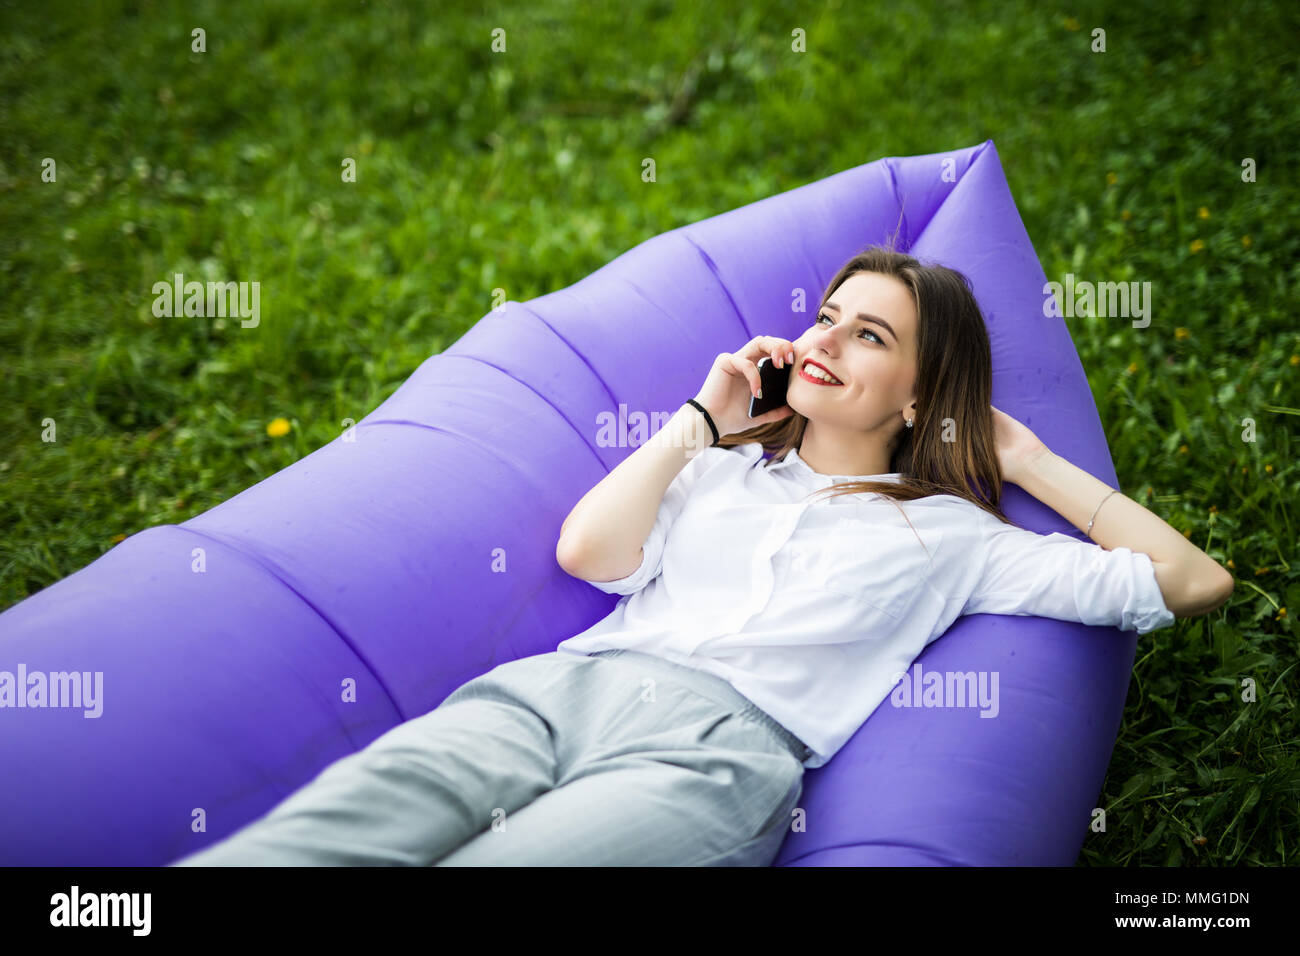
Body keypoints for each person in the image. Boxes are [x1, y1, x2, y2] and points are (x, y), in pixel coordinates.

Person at [169, 245, 1234, 867]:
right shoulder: (723, 469)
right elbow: (589, 550)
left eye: (868, 334)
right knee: (317, 838)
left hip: (716, 756)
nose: (823, 340)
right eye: (824, 318)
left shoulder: (956, 537)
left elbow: (1192, 581)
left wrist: (1031, 457)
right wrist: (703, 417)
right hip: (554, 693)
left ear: (920, 388)